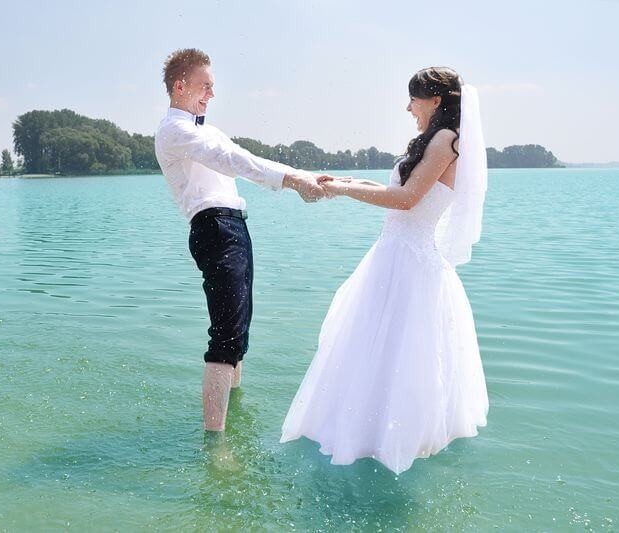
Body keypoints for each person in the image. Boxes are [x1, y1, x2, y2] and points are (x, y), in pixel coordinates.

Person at [280, 67, 489, 474]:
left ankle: (380, 436)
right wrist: (348, 180)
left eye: (413, 99)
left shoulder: (446, 140)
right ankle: (371, 431)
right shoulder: (439, 139)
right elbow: (399, 191)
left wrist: (342, 190)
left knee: (392, 352)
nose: (408, 108)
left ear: (435, 101)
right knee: (379, 350)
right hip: (394, 255)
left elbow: (406, 199)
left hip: (408, 262)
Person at [155, 48, 326, 432]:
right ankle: (216, 443)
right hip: (214, 228)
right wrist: (294, 180)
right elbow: (232, 160)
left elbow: (239, 156)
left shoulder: (207, 130)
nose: (212, 94)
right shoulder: (174, 131)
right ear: (180, 86)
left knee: (239, 332)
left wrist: (304, 175)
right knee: (226, 337)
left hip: (234, 226)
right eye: (205, 86)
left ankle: (232, 418)